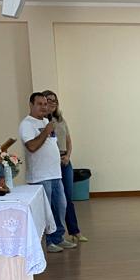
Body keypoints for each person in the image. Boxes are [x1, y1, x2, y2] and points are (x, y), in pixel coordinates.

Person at [20, 92, 72, 252]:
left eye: (45, 104)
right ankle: (49, 242)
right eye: (40, 104)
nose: (44, 107)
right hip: (40, 176)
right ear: (31, 105)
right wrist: (46, 131)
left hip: (55, 173)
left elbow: (51, 145)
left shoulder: (46, 121)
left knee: (61, 207)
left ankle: (58, 237)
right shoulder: (27, 124)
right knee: (46, 210)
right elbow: (32, 146)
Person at [42, 90, 87, 244]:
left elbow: (68, 140)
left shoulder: (60, 120)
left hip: (64, 160)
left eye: (54, 100)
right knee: (55, 200)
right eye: (49, 100)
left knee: (67, 198)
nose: (52, 103)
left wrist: (67, 155)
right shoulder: (42, 121)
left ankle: (74, 231)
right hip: (50, 163)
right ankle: (54, 236)